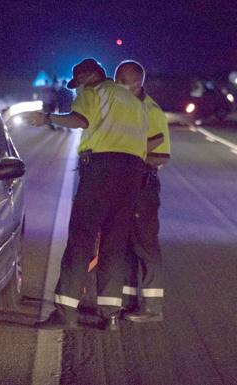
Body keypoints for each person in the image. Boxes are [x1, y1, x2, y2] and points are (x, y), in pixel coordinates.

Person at [25, 58, 148, 330]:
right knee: (114, 245)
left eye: (77, 82)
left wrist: (47, 118)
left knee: (82, 238)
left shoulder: (93, 91)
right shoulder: (130, 99)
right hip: (133, 174)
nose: (76, 89)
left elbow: (81, 120)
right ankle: (110, 316)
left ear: (88, 77)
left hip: (102, 171)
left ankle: (66, 314)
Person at [115, 60, 170, 322]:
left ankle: (151, 307)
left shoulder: (152, 111)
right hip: (124, 185)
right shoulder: (123, 108)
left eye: (122, 81)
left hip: (143, 187)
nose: (117, 86)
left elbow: (161, 156)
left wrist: (130, 157)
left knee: (145, 245)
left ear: (137, 84)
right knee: (126, 245)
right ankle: (129, 301)